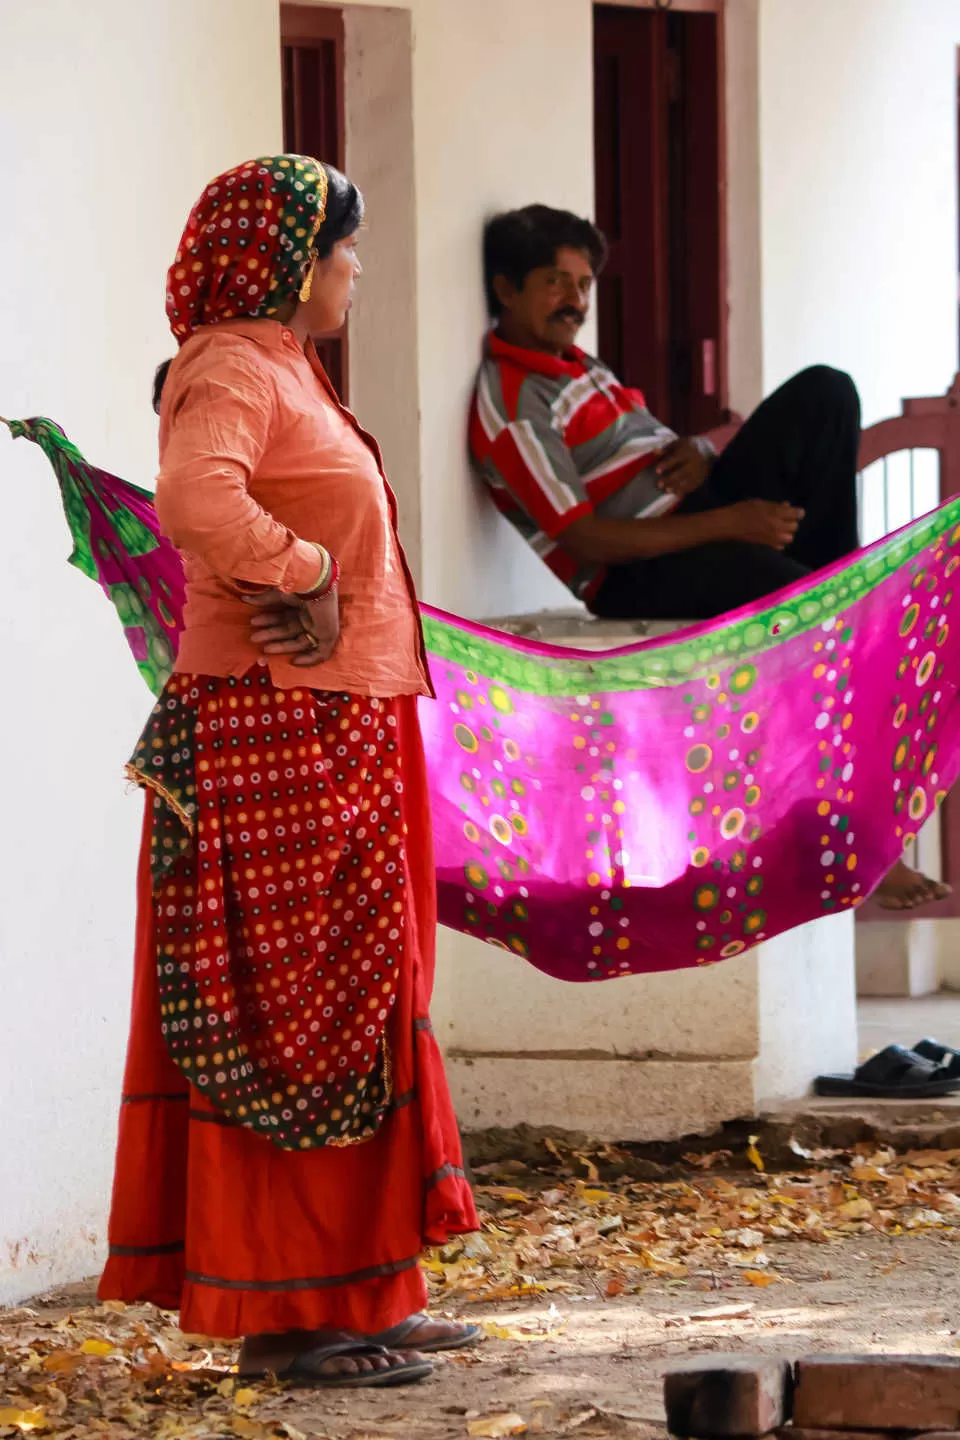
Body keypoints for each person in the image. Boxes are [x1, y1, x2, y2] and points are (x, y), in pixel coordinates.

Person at [98, 154, 479, 1388]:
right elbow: (194, 498)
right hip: (274, 734)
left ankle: (366, 1290)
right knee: (291, 1019)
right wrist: (302, 573)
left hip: (336, 725)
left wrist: (315, 581)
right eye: (344, 247)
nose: (357, 269)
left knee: (363, 1004)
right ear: (290, 258)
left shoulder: (280, 363)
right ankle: (288, 1319)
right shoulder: (228, 363)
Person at [469, 203, 948, 913]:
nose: (575, 301)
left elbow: (653, 453)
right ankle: (860, 839)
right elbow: (587, 539)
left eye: (583, 284)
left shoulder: (578, 365)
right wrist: (733, 521)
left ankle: (839, 598)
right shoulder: (512, 404)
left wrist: (699, 450)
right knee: (815, 624)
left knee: (827, 392)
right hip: (637, 570)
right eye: (554, 282)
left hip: (695, 516)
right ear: (506, 289)